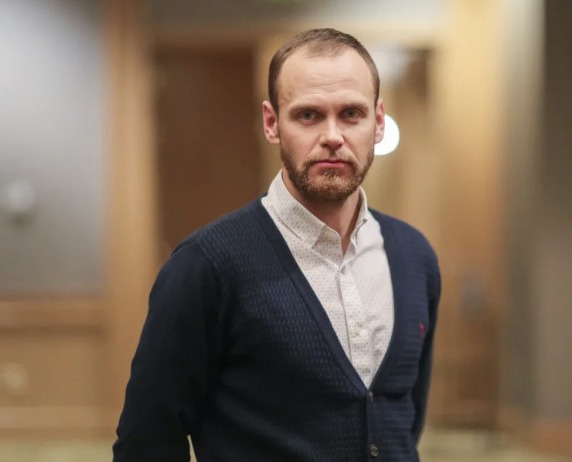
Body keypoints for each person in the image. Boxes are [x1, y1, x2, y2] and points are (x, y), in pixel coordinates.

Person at [113, 28, 441, 462]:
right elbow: (147, 442)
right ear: (272, 123)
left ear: (378, 122)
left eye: (351, 114)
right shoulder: (206, 265)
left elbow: (403, 422)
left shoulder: (414, 256)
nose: (332, 136)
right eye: (308, 115)